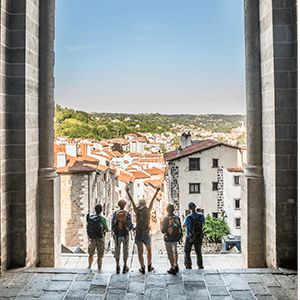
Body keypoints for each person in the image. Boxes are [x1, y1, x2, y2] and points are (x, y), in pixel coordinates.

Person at [126, 185, 160, 274]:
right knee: (149, 250)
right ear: (145, 204)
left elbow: (132, 202)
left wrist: (128, 192)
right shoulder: (147, 210)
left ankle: (142, 267)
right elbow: (152, 200)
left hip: (138, 232)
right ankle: (149, 265)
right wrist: (156, 191)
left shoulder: (136, 210)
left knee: (140, 251)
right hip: (146, 232)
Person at [111, 199, 134, 274]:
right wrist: (132, 230)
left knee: (117, 250)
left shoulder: (115, 214)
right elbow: (130, 225)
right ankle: (125, 266)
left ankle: (117, 266)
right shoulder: (127, 214)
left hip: (117, 235)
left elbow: (112, 224)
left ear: (118, 205)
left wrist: (112, 231)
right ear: (125, 205)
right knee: (125, 250)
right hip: (125, 235)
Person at [161, 203, 183, 275]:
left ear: (167, 210)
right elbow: (180, 228)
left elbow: (163, 230)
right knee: (175, 251)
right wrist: (180, 237)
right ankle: (176, 265)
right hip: (176, 238)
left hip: (168, 238)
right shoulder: (177, 217)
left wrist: (161, 226)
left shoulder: (166, 218)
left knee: (170, 252)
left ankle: (172, 267)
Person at [183, 202, 205, 269]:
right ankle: (200, 265)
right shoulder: (201, 216)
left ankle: (188, 265)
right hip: (198, 236)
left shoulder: (188, 217)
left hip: (190, 236)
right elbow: (203, 224)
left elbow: (184, 226)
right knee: (198, 251)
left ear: (189, 209)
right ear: (195, 207)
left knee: (187, 251)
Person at [87, 204, 109, 270]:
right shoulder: (102, 219)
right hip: (100, 238)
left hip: (93, 238)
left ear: (95, 210)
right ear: (101, 211)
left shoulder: (91, 218)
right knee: (100, 255)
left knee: (91, 253)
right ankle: (99, 268)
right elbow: (107, 229)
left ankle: (89, 266)